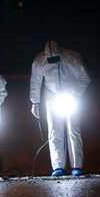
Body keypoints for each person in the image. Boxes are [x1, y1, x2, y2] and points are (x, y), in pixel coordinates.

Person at [29, 40, 91, 177]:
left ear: (61, 54)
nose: (53, 61)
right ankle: (58, 166)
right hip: (52, 97)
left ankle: (77, 166)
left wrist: (75, 94)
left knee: (73, 130)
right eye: (50, 59)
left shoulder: (72, 58)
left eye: (55, 58)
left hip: (72, 96)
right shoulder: (39, 61)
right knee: (54, 131)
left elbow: (84, 78)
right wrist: (35, 102)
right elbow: (35, 82)